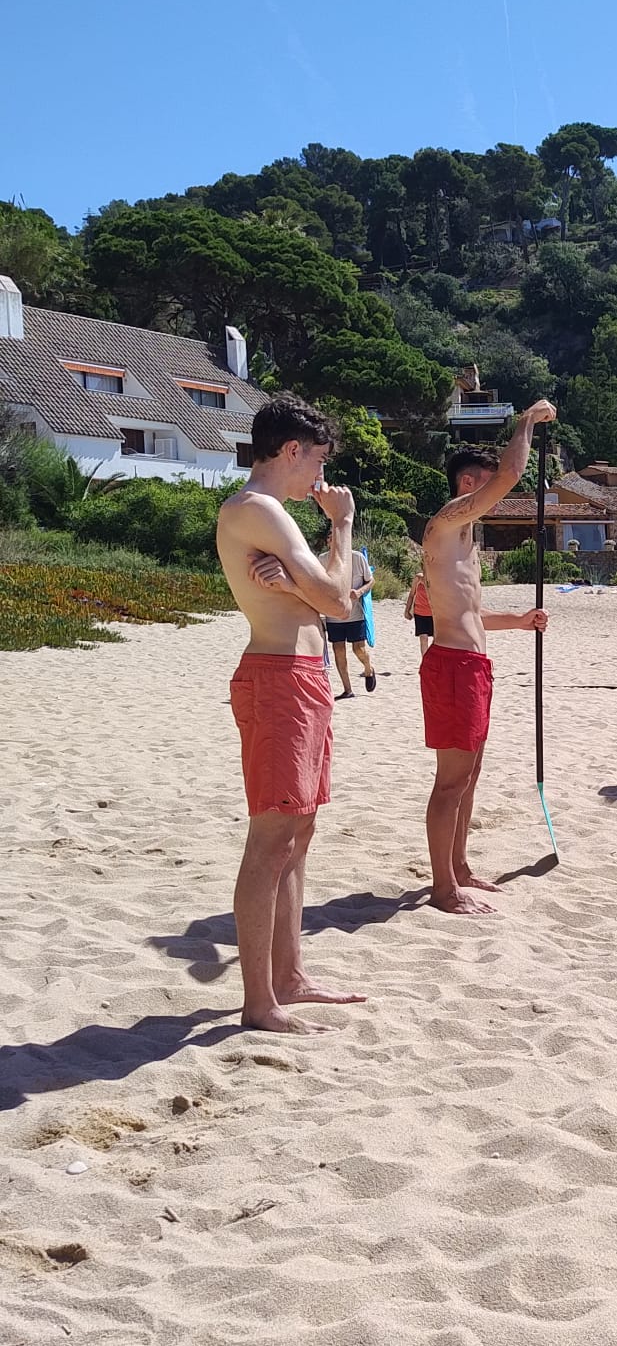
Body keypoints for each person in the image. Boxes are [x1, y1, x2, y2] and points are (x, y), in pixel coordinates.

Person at [214, 395, 368, 1034]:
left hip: (301, 678)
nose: (320, 480)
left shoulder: (271, 513)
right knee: (272, 839)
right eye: (318, 462)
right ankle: (259, 1002)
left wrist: (303, 583)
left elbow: (340, 599)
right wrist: (342, 527)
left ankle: (290, 976)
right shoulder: (257, 509)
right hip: (278, 678)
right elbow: (337, 596)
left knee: (298, 837)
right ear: (291, 451)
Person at [420, 405, 557, 915]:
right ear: (470, 483)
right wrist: (525, 423)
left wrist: (519, 621)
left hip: (472, 665)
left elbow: (471, 613)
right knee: (451, 780)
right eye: (486, 486)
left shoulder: (465, 541)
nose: (496, 496)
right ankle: (442, 887)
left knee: (470, 775)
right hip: (452, 666)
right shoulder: (446, 522)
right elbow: (512, 473)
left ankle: (458, 866)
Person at [325, 545, 377, 697]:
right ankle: (347, 690)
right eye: (331, 539)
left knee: (358, 649)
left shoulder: (357, 557)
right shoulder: (323, 559)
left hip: (355, 614)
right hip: (333, 615)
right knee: (338, 651)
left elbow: (371, 580)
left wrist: (360, 591)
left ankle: (369, 669)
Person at [405, 572, 433, 655]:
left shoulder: (438, 577)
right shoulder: (418, 578)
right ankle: (425, 661)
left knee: (437, 641)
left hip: (434, 614)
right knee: (423, 639)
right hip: (420, 612)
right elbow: (411, 595)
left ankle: (433, 659)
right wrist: (407, 610)